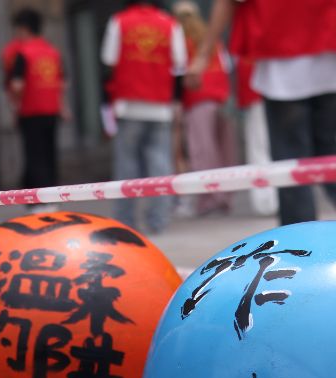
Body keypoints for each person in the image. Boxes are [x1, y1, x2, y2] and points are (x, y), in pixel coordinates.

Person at [187, 0, 336, 225]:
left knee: (291, 168)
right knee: (328, 156)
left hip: (283, 64)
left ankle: (299, 240)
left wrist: (202, 56)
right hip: (327, 53)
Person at [101, 0, 187, 233]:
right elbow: (180, 62)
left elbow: (108, 59)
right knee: (160, 165)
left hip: (128, 105)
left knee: (126, 166)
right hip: (160, 106)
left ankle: (126, 222)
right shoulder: (170, 24)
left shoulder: (119, 21)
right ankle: (157, 221)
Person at [173, 1, 233, 216]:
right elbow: (227, 66)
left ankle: (208, 200)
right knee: (224, 150)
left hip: (197, 100)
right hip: (220, 97)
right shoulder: (212, 39)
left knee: (202, 151)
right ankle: (225, 198)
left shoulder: (182, 40)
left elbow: (178, 72)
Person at [2, 8, 66, 194]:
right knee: (50, 154)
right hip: (52, 111)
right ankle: (53, 194)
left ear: (23, 29)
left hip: (31, 111)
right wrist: (63, 107)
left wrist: (15, 107)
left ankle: (38, 198)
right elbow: (62, 82)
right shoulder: (53, 51)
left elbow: (17, 86)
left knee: (35, 156)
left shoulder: (23, 54)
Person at [235, 54, 277, 215]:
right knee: (268, 147)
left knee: (259, 148)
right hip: (271, 94)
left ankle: (266, 201)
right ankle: (270, 200)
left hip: (260, 94)